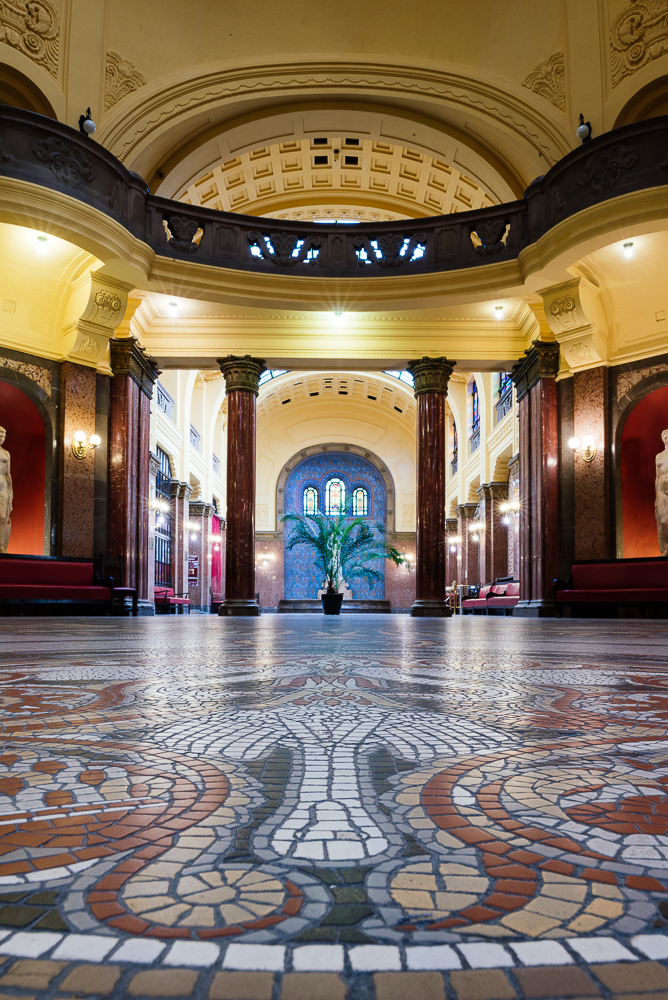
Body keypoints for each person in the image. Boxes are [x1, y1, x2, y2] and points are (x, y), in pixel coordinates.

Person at [655, 429, 668, 557]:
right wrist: (656, 496)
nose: (667, 439)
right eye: (665, 436)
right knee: (663, 522)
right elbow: (657, 477)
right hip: (662, 492)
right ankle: (665, 550)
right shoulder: (659, 456)